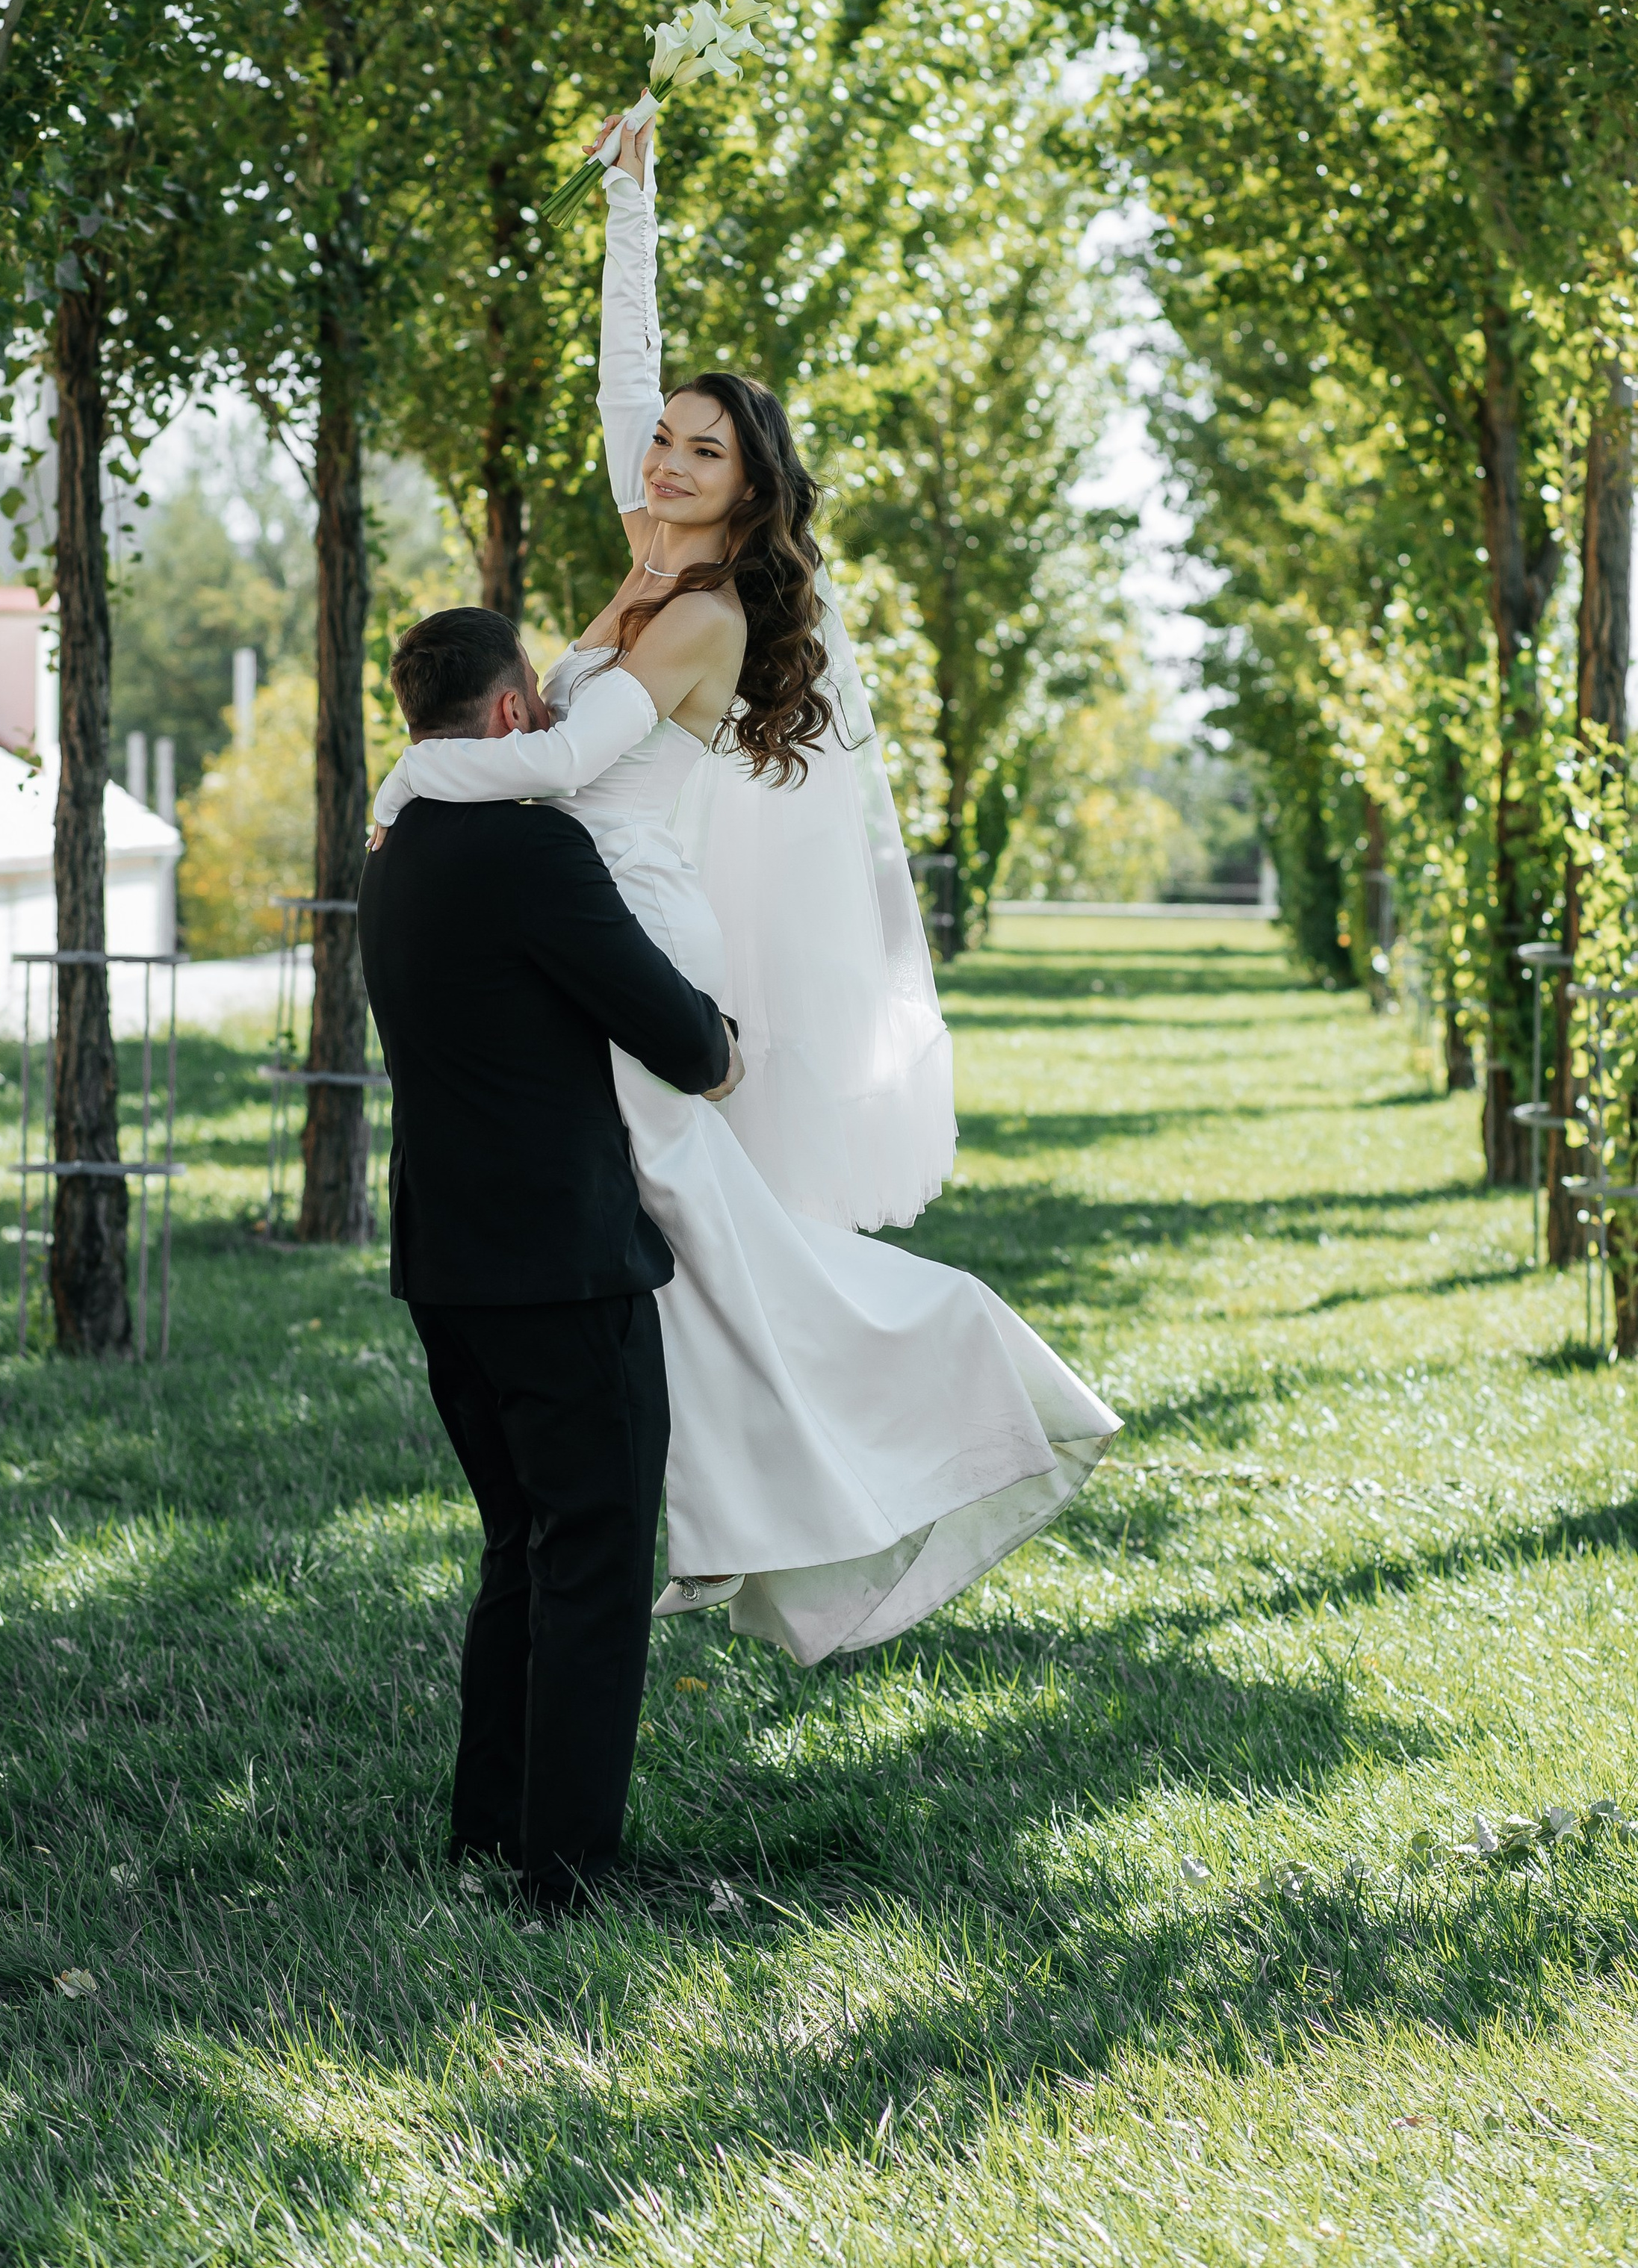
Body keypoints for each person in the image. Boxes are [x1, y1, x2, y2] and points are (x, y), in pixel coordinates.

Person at [370, 111, 1120, 1665]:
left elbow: (571, 772)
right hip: (598, 905)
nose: (666, 458)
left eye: (704, 451)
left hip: (632, 911)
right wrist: (630, 203)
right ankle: (728, 1512)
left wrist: (407, 778)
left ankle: (911, 1403)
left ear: (748, 486)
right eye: (666, 446)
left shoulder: (702, 612)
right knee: (678, 1242)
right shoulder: (649, 541)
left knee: (694, 1237)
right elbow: (620, 386)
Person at [359, 603, 739, 1915]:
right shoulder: (537, 853)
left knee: (520, 1542)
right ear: (516, 714)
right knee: (594, 1552)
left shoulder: (394, 852)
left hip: (444, 1264)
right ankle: (565, 1871)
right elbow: (675, 1033)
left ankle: (489, 1833)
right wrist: (727, 1043)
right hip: (561, 1267)